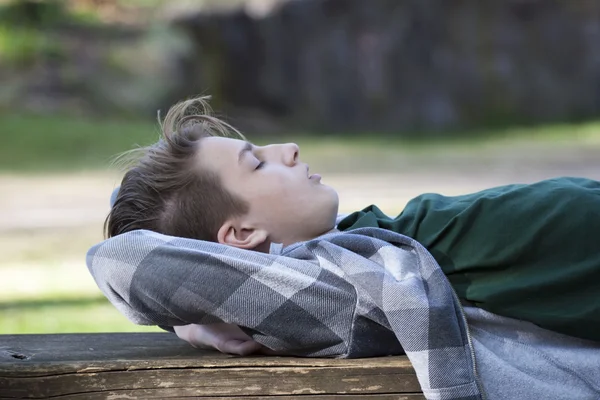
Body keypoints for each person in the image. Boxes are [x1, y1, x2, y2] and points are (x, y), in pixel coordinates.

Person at [106, 96, 600, 355]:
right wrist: (197, 315)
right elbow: (126, 262)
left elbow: (144, 255)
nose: (289, 148)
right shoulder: (335, 285)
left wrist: (192, 319)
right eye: (255, 163)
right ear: (239, 236)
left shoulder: (343, 253)